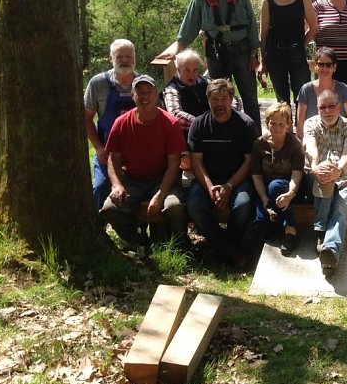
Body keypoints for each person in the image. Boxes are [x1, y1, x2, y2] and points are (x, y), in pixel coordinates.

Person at [166, 0, 261, 133]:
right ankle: (222, 136)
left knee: (250, 99)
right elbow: (189, 26)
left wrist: (254, 54)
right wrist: (177, 47)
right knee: (218, 97)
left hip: (242, 52)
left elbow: (251, 25)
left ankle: (255, 139)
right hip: (216, 53)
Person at [100, 75, 189, 252]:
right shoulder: (121, 123)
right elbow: (113, 158)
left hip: (163, 179)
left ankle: (180, 245)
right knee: (109, 208)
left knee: (174, 207)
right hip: (133, 180)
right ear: (133, 95)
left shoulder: (170, 123)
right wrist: (117, 185)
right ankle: (138, 242)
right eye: (140, 92)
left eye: (149, 92)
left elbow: (174, 164)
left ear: (156, 94)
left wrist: (160, 195)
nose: (145, 96)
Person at [186, 79, 258, 267]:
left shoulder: (245, 124)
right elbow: (196, 162)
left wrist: (229, 186)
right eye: (214, 99)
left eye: (223, 99)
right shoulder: (198, 124)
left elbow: (249, 162)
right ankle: (227, 250)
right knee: (194, 206)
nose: (219, 104)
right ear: (208, 100)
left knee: (243, 205)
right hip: (207, 180)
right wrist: (210, 187)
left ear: (231, 100)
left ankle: (226, 247)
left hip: (237, 180)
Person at [303, 89, 347, 277]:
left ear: (339, 106)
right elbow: (311, 146)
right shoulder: (310, 123)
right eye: (322, 107)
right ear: (317, 108)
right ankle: (321, 232)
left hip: (346, 178)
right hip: (318, 176)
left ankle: (329, 250)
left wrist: (339, 170)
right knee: (324, 173)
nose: (327, 111)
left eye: (331, 106)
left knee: (340, 211)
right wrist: (315, 166)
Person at [84, 38, 137, 210]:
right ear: (110, 59)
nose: (124, 60)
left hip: (137, 153)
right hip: (107, 153)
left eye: (128, 56)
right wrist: (98, 148)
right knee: (100, 188)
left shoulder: (143, 83)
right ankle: (97, 223)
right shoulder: (98, 83)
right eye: (119, 56)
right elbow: (86, 118)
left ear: (134, 58)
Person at [258, 0, 317, 108]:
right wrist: (262, 61)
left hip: (297, 53)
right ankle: (285, 124)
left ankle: (302, 124)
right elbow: (263, 34)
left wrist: (302, 45)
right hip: (274, 55)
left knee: (302, 97)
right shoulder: (267, 1)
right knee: (282, 100)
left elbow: (314, 26)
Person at [251, 102, 305, 255]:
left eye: (281, 124)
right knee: (260, 223)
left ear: (288, 124)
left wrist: (290, 194)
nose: (277, 127)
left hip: (291, 187)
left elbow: (296, 174)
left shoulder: (295, 144)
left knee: (275, 186)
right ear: (267, 123)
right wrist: (263, 198)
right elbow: (256, 176)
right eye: (273, 123)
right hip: (265, 189)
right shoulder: (259, 144)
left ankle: (290, 230)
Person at [162, 49, 242, 138]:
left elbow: (233, 98)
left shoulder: (205, 82)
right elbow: (175, 115)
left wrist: (228, 114)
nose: (191, 75)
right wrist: (203, 124)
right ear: (178, 70)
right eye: (187, 70)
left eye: (195, 70)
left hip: (217, 129)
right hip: (190, 136)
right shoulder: (171, 89)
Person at [295, 47, 347, 137]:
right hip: (312, 138)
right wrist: (302, 143)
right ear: (315, 66)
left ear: (334, 67)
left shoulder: (343, 89)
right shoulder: (306, 90)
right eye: (321, 64)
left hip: (338, 139)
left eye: (328, 65)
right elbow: (300, 123)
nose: (324, 68)